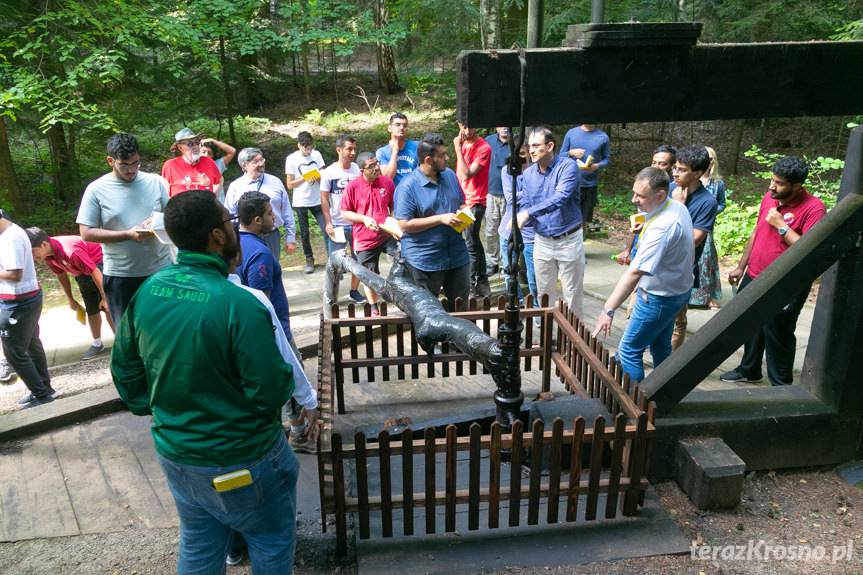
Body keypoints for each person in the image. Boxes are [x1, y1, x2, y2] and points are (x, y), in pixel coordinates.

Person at [111, 190, 311, 573]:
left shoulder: (148, 292)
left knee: (200, 541)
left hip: (177, 454)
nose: (233, 229)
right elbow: (270, 390)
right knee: (271, 539)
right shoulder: (239, 304)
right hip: (244, 457)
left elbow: (125, 373)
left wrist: (155, 406)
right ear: (217, 236)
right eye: (228, 222)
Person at [720, 156, 826, 386]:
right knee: (748, 323)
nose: (771, 186)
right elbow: (757, 232)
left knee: (777, 331)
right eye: (772, 180)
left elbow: (810, 250)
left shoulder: (814, 208)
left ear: (797, 186)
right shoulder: (770, 197)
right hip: (755, 274)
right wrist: (741, 265)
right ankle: (749, 370)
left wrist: (781, 226)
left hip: (785, 282)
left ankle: (781, 384)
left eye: (779, 183)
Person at [592, 167, 694, 383]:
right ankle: (663, 393)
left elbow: (635, 272)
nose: (634, 199)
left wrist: (608, 309)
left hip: (658, 298)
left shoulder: (662, 227)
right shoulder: (676, 206)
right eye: (634, 192)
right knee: (660, 346)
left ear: (660, 195)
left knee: (629, 351)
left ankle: (634, 403)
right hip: (676, 292)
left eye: (640, 196)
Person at [236, 191, 314, 456]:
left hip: (250, 330)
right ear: (257, 219)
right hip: (275, 328)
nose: (275, 216)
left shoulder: (235, 243)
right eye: (270, 213)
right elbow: (261, 305)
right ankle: (299, 432)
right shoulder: (260, 254)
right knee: (290, 375)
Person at [77, 133, 173, 326]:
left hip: (161, 270)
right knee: (129, 332)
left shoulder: (154, 182)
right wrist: (127, 234)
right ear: (110, 161)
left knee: (167, 328)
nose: (132, 170)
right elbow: (86, 232)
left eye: (136, 163)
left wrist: (157, 222)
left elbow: (172, 217)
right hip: (122, 275)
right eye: (125, 165)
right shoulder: (96, 189)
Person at [516, 127, 584, 316]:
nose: (531, 150)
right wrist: (519, 221)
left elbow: (560, 197)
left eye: (536, 145)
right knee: (544, 293)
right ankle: (548, 336)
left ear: (550, 145)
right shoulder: (528, 174)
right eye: (530, 146)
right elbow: (526, 204)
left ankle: (573, 340)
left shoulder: (568, 167)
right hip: (542, 240)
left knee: (572, 293)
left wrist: (527, 213)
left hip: (568, 238)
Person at [395, 133, 470, 305]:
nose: (447, 158)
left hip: (457, 255)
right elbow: (404, 224)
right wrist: (440, 219)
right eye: (442, 155)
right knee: (428, 313)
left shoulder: (450, 175)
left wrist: (465, 212)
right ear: (428, 159)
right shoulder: (408, 186)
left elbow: (460, 203)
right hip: (425, 260)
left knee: (461, 309)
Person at [27, 228, 112, 360]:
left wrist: (105, 297)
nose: (32, 257)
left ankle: (120, 343)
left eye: (33, 252)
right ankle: (97, 343)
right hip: (82, 273)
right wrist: (71, 299)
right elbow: (61, 274)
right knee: (92, 309)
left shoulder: (70, 251)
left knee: (108, 308)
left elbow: (94, 271)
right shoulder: (48, 255)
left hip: (100, 266)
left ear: (44, 244)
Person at [0, 211, 54, 408]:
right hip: (26, 297)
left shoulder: (10, 239)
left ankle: (41, 395)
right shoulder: (12, 232)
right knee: (31, 344)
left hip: (17, 302)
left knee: (14, 352)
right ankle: (45, 389)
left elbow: (15, 275)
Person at [670, 145, 718, 350]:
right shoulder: (672, 189)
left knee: (676, 321)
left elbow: (694, 239)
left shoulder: (707, 202)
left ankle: (666, 368)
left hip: (681, 270)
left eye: (681, 169)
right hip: (657, 264)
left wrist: (678, 206)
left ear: (698, 173)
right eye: (675, 167)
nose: (675, 172)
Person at [340, 152, 399, 315]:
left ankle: (397, 290)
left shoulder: (387, 182)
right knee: (369, 276)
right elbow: (345, 212)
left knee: (406, 256)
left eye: (377, 163)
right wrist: (363, 219)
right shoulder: (353, 187)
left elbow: (394, 206)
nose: (377, 168)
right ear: (361, 170)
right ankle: (374, 307)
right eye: (371, 166)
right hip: (365, 239)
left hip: (387, 234)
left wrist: (394, 224)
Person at [224, 147, 297, 260]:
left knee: (272, 268)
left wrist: (291, 238)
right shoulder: (235, 186)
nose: (261, 164)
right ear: (244, 166)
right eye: (255, 162)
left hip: (271, 235)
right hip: (246, 237)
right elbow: (230, 214)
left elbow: (286, 210)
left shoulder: (275, 182)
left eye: (261, 160)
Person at [320, 135, 364, 303]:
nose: (353, 152)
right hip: (337, 223)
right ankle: (332, 295)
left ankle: (354, 291)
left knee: (358, 259)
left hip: (356, 223)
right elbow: (324, 199)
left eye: (354, 149)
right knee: (336, 262)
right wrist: (328, 222)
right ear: (339, 150)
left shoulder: (358, 170)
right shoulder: (329, 172)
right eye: (349, 149)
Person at [453, 122, 492, 297]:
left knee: (470, 243)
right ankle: (480, 278)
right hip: (461, 201)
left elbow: (466, 174)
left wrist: (457, 148)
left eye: (471, 127)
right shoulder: (463, 142)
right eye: (464, 127)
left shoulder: (484, 148)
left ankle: (471, 284)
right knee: (470, 241)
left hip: (474, 203)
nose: (467, 131)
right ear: (459, 124)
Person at [690, 146, 726, 309]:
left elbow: (721, 204)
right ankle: (692, 297)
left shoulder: (717, 183)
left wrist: (710, 211)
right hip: (691, 223)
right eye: (707, 158)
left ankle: (706, 297)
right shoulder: (689, 179)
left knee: (706, 262)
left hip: (706, 227)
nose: (709, 161)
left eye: (712, 158)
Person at [285, 131, 327, 274]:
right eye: (306, 148)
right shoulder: (291, 159)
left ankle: (333, 258)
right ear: (299, 146)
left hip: (317, 199)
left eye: (311, 147)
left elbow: (324, 175)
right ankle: (309, 259)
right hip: (301, 201)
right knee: (304, 233)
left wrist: (318, 176)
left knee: (326, 228)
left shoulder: (317, 154)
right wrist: (306, 177)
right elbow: (290, 184)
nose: (309, 151)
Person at [499, 146, 537, 304]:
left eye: (525, 153)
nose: (523, 157)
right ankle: (518, 302)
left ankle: (536, 307)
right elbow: (510, 198)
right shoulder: (507, 170)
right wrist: (533, 192)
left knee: (533, 275)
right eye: (519, 153)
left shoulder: (537, 170)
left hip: (532, 231)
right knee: (509, 271)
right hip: (508, 228)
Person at [559, 124, 610, 232]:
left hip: (590, 185)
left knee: (584, 220)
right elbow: (560, 155)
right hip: (570, 183)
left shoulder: (603, 137)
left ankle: (581, 241)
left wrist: (597, 166)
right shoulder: (571, 133)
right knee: (567, 218)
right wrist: (570, 153)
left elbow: (606, 159)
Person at [161, 128, 223, 197]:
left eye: (197, 142)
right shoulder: (170, 165)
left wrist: (213, 193)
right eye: (190, 144)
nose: (195, 146)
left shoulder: (208, 162)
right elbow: (164, 191)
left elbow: (220, 180)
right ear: (180, 147)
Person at [484, 127, 511, 276]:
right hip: (491, 192)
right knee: (491, 230)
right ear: (496, 127)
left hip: (509, 195)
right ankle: (492, 262)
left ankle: (505, 263)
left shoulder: (517, 143)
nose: (504, 128)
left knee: (507, 231)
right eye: (501, 125)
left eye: (507, 125)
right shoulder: (488, 142)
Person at [376, 112, 419, 187]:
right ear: (389, 128)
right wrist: (395, 151)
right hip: (395, 193)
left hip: (415, 191)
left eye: (405, 125)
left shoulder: (417, 146)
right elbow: (388, 177)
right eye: (397, 125)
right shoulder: (382, 152)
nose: (402, 127)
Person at [200, 137, 237, 201]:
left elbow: (232, 151)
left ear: (213, 156)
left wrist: (213, 140)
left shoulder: (218, 164)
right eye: (203, 152)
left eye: (209, 153)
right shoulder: (193, 166)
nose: (206, 155)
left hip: (219, 204)